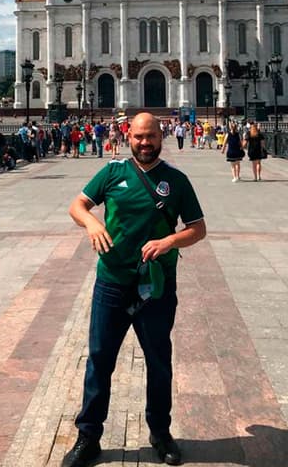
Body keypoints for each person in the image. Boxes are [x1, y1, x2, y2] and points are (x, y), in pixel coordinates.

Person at [62, 113, 207, 467]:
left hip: (155, 286)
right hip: (112, 282)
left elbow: (198, 228)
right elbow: (77, 205)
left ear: (162, 136)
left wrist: (170, 241)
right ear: (128, 136)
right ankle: (89, 436)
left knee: (159, 362)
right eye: (139, 137)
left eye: (151, 137)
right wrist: (92, 222)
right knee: (100, 359)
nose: (145, 143)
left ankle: (160, 433)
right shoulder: (113, 174)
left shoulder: (176, 180)